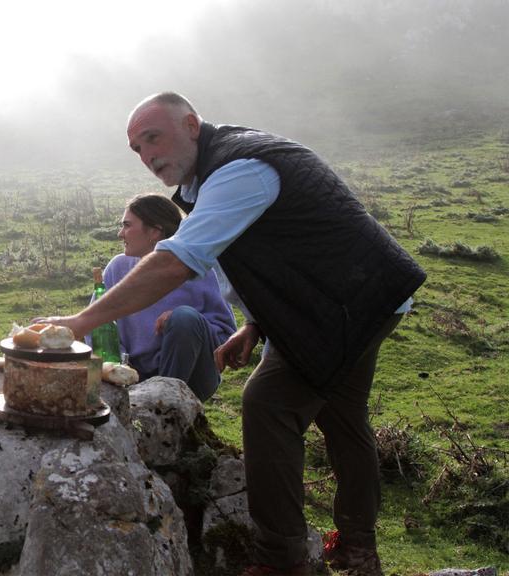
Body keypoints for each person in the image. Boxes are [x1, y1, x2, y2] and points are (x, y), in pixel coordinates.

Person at [39, 92, 425, 576]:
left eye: (153, 137)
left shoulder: (242, 168)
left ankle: (282, 561)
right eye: (136, 148)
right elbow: (283, 251)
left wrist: (79, 323)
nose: (148, 156)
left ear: (192, 124)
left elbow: (177, 262)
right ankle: (358, 551)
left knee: (268, 402)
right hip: (361, 298)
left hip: (345, 304)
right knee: (343, 418)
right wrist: (256, 325)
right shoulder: (222, 171)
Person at [98, 192, 235, 400]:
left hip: (193, 378)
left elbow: (226, 335)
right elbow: (98, 327)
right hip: (135, 375)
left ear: (154, 231)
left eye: (127, 225)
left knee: (184, 317)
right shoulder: (117, 268)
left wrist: (184, 323)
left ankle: (161, 403)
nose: (120, 233)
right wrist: (122, 363)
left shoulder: (198, 271)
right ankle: (148, 401)